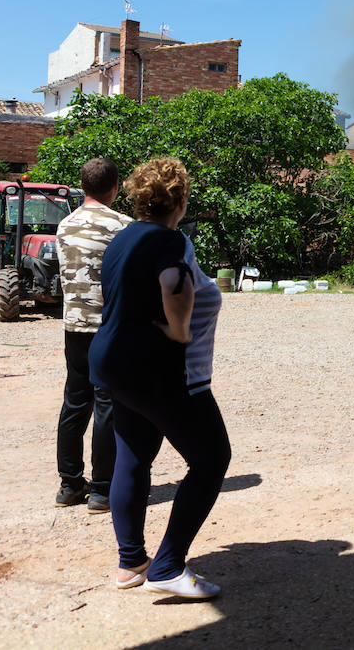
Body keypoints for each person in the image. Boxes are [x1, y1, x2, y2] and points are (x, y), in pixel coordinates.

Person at [89, 157, 230, 601]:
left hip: (114, 363)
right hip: (156, 368)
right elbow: (175, 283)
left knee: (133, 454)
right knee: (211, 458)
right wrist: (179, 331)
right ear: (181, 201)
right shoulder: (167, 240)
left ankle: (131, 563)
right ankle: (167, 566)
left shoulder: (124, 236)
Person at [54, 157, 132, 512]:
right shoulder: (125, 227)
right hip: (111, 329)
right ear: (115, 187)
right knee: (107, 406)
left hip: (75, 328)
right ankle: (101, 489)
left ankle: (69, 485)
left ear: (82, 187)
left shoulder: (64, 226)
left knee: (75, 402)